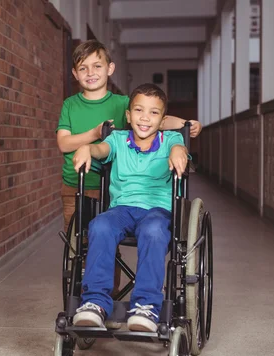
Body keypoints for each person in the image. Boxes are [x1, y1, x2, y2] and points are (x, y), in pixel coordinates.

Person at [56, 39, 201, 297]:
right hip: (83, 183)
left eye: (97, 66)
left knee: (146, 231)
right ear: (75, 73)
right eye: (83, 67)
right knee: (90, 238)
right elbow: (67, 142)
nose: (90, 73)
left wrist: (185, 127)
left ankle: (123, 296)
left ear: (110, 68)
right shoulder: (73, 106)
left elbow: (157, 116)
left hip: (115, 189)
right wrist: (91, 140)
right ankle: (95, 298)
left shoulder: (126, 103)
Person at [71, 83, 188, 332]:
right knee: (100, 225)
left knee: (154, 231)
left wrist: (179, 151)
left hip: (158, 210)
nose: (145, 118)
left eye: (154, 113)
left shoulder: (171, 139)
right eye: (138, 110)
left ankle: (145, 306)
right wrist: (86, 147)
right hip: (122, 209)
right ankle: (94, 303)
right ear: (128, 115)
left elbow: (179, 148)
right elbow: (101, 149)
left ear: (163, 119)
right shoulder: (117, 140)